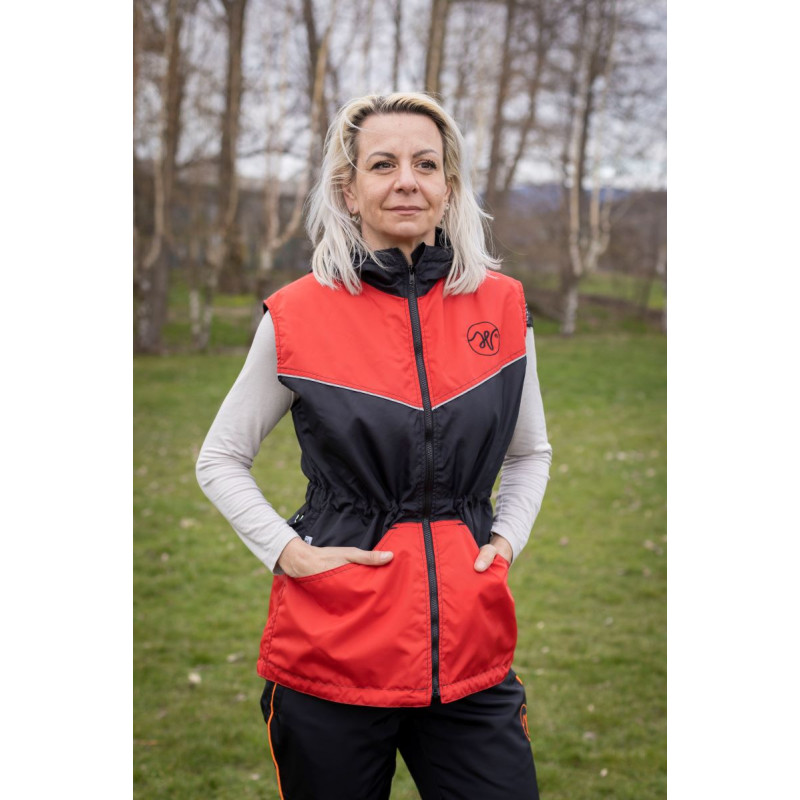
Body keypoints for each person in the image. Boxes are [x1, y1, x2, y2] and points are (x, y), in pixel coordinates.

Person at [196, 92, 552, 799]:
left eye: (426, 164)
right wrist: (289, 552)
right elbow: (220, 459)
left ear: (449, 185)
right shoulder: (297, 315)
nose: (407, 181)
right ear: (348, 190)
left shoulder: (503, 306)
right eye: (383, 165)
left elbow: (529, 452)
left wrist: (504, 540)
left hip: (469, 654)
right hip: (333, 652)